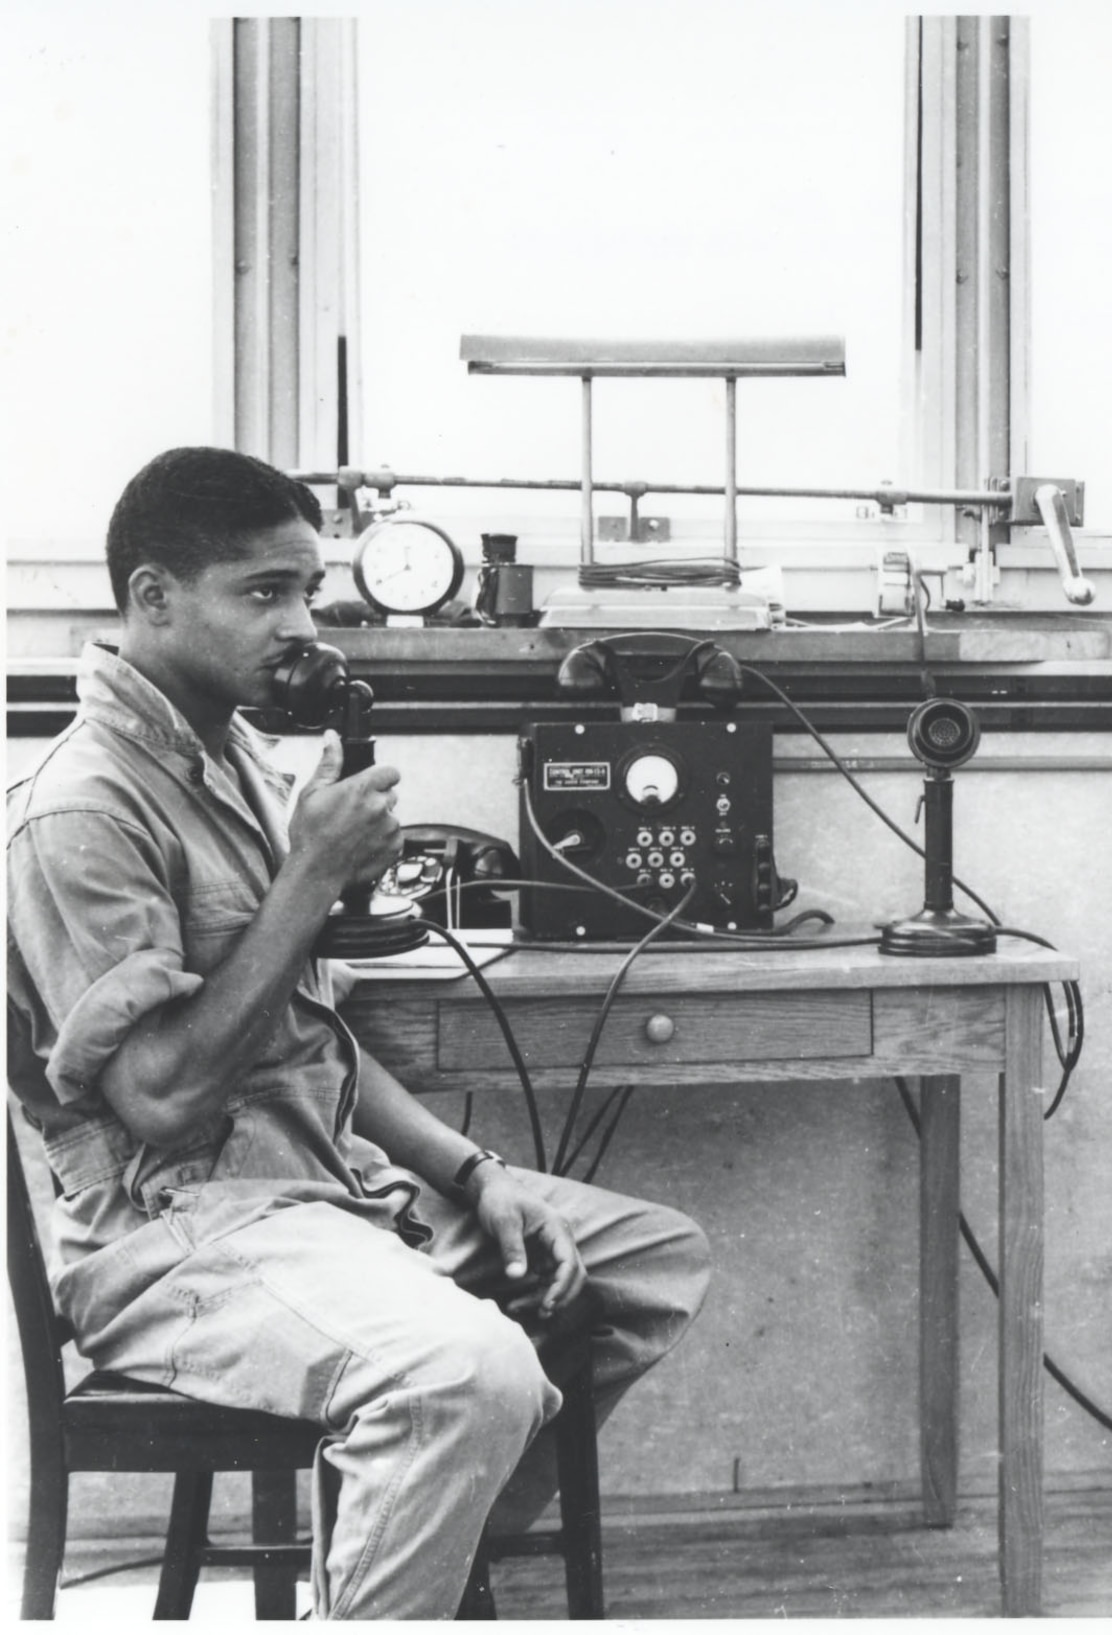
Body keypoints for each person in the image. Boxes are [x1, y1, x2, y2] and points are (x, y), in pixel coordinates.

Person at [6, 446, 713, 1619]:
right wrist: (309, 881)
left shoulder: (226, 757)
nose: (299, 625)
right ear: (151, 599)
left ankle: (412, 1572)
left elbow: (310, 1041)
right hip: (182, 1233)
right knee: (466, 1370)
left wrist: (473, 1172)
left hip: (322, 1189)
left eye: (307, 591)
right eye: (261, 593)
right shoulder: (83, 810)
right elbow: (163, 1100)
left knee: (643, 1262)